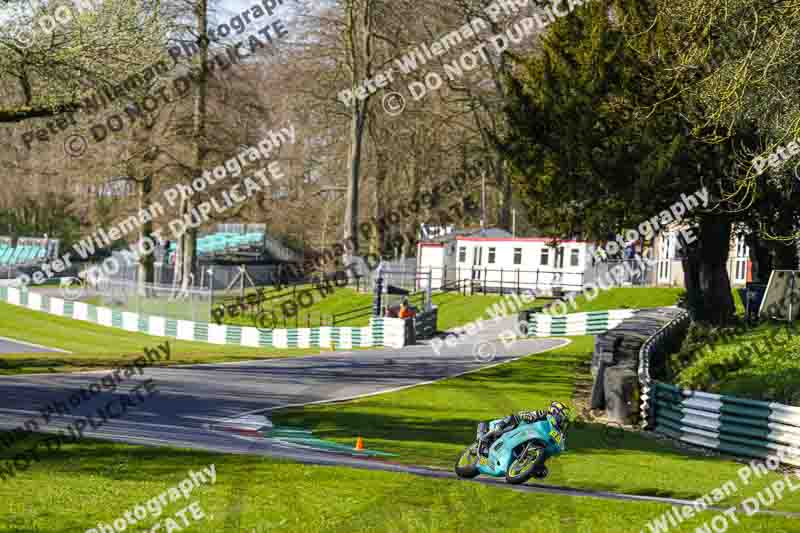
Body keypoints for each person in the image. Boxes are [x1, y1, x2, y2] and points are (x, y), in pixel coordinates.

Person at [477, 401, 571, 457]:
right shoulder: (543, 414)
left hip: (534, 440)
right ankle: (487, 435)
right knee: (513, 419)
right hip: (521, 429)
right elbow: (528, 415)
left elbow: (561, 446)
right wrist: (528, 416)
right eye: (561, 418)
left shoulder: (558, 432)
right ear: (554, 411)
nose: (562, 422)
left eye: (564, 420)